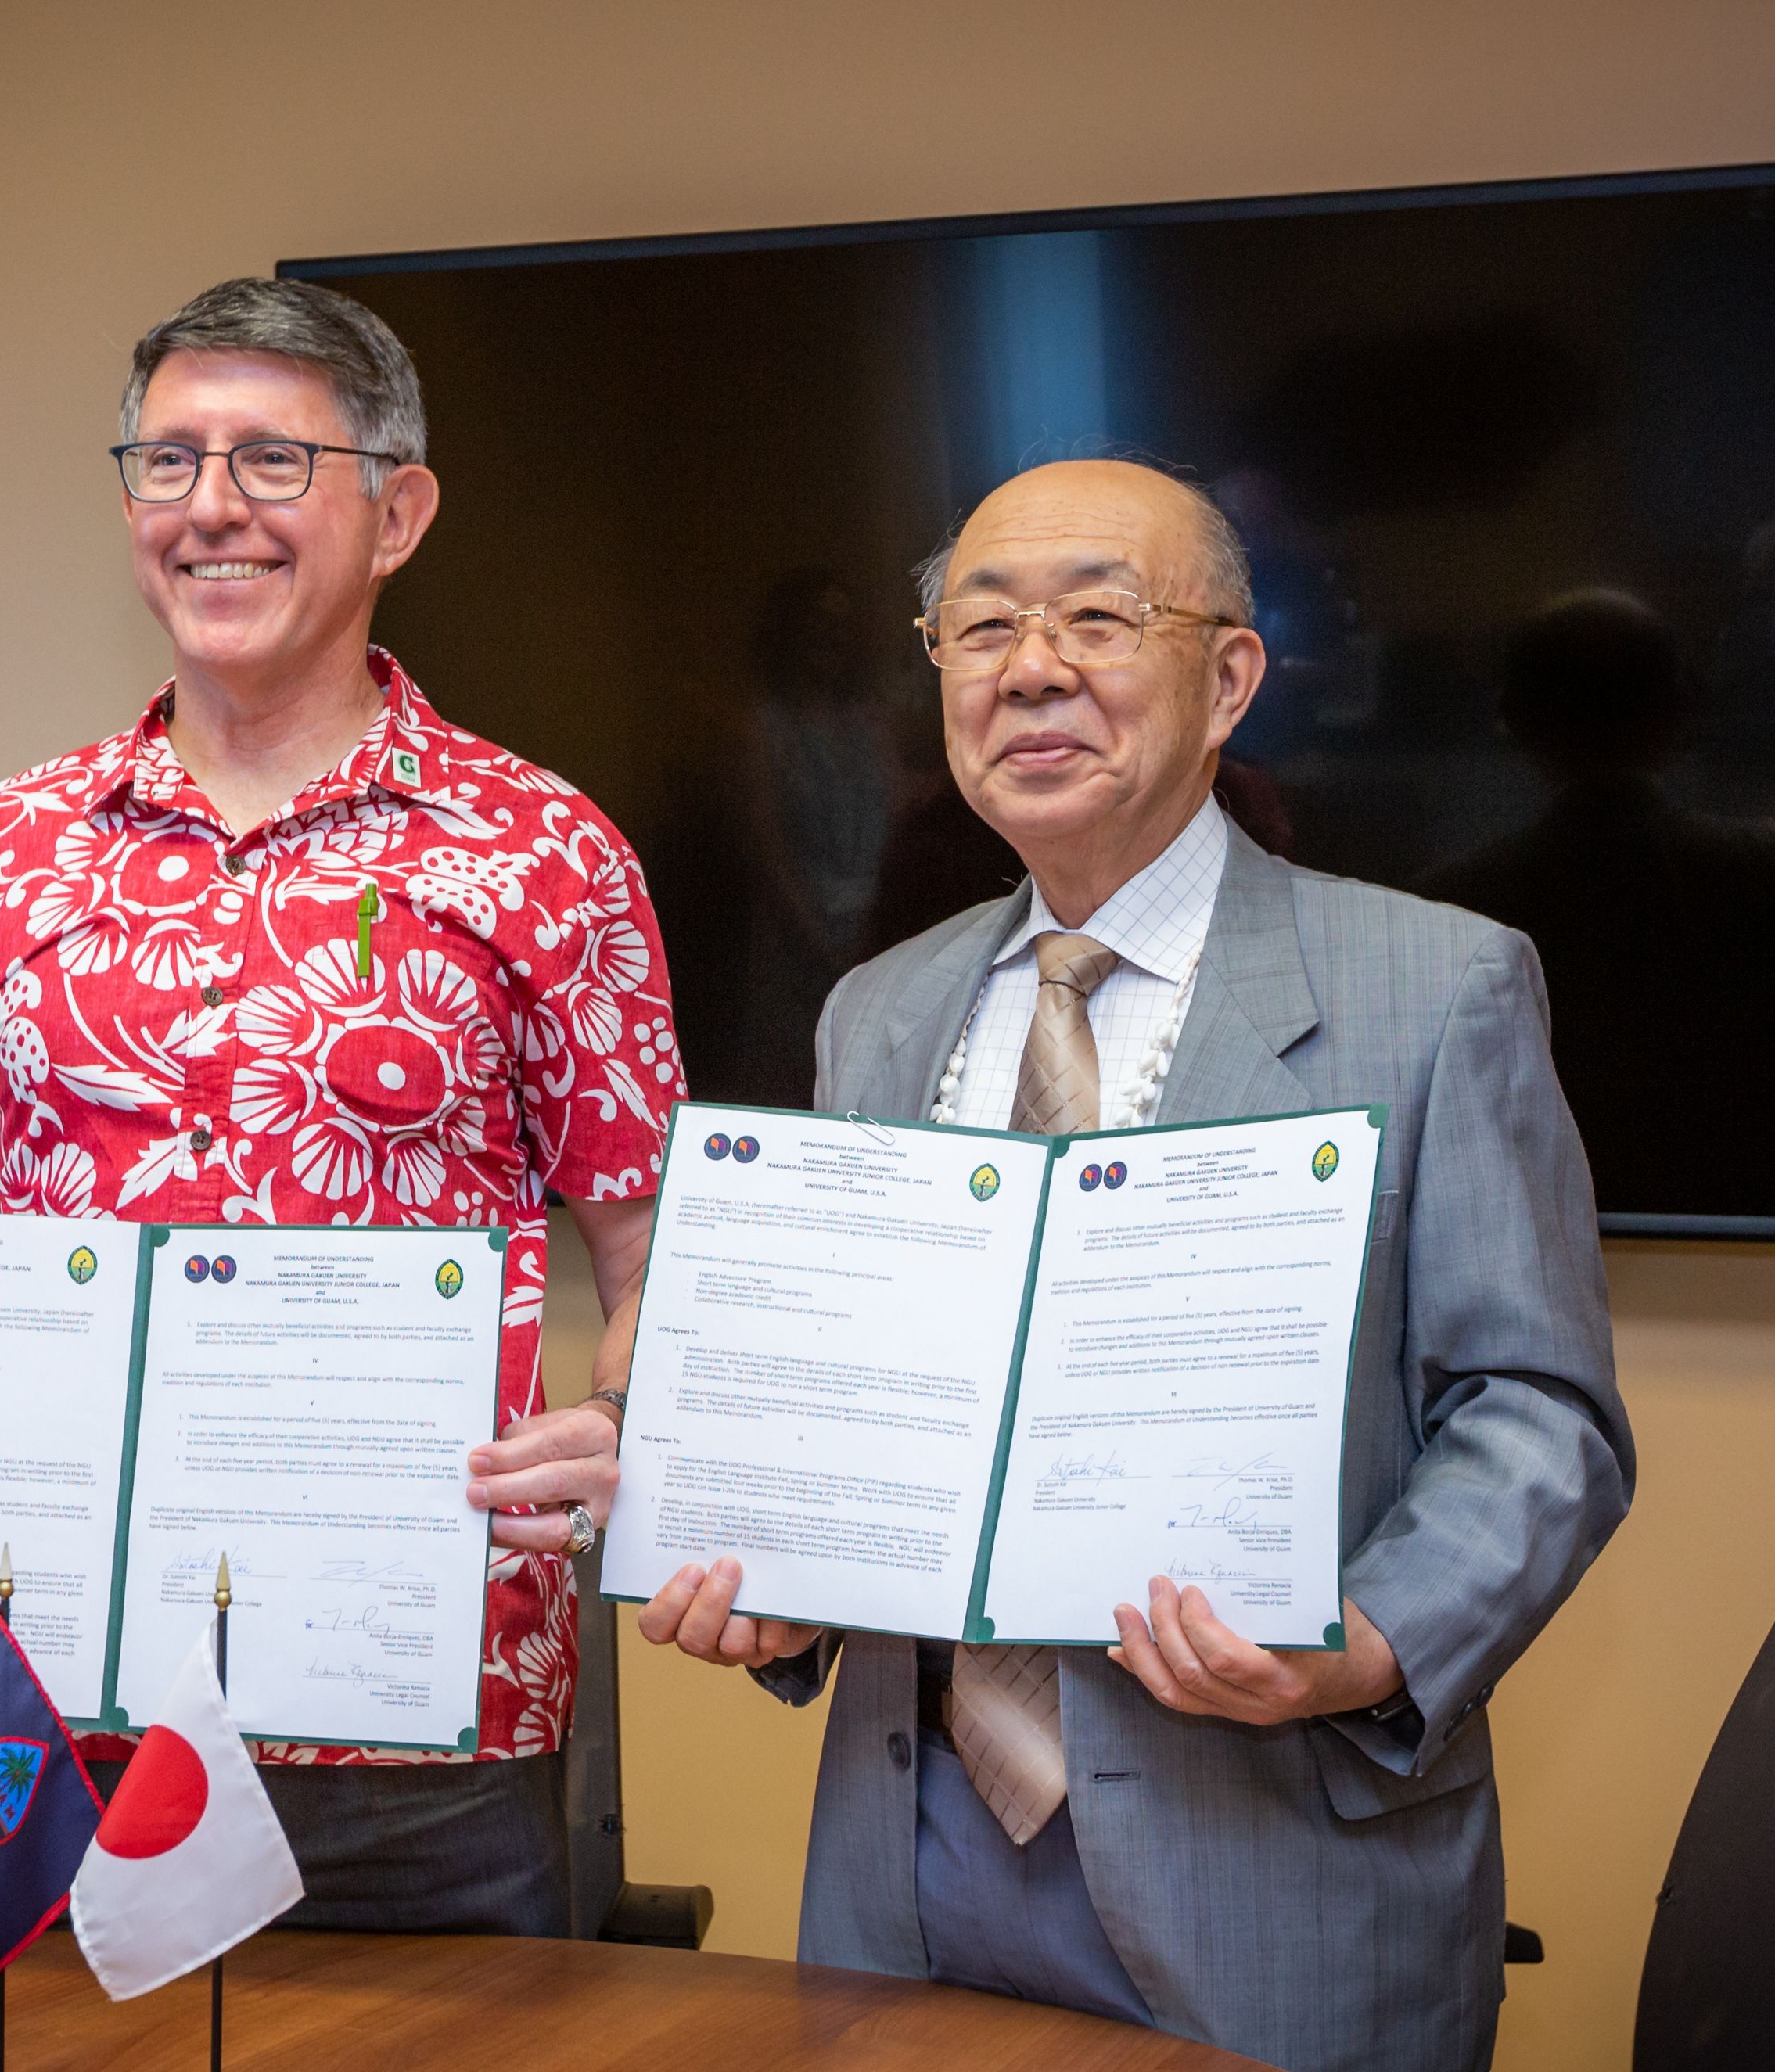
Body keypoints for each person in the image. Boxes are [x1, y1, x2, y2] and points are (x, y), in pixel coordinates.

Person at [0, 278, 679, 1940]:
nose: (210, 506)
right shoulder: (1, 845)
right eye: (168, 460)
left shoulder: (543, 847)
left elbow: (653, 1258)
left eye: (273, 461)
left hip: (411, 1711)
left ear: (398, 510)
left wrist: (626, 1433)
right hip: (33, 1700)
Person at [638, 459, 1633, 2071]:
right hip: (911, 1873)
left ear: (1230, 675)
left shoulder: (1435, 986)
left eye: (1098, 614)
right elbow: (858, 1402)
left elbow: (1539, 1410)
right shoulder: (876, 1008)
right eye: (979, 626)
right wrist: (771, 1568)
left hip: (1264, 1864)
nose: (1031, 666)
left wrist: (1371, 1639)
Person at [1427, 589, 1775, 1219]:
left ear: (1512, 721)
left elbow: (1442, 1161)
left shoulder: (1452, 905)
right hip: (1762, 1280)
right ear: (1678, 715)